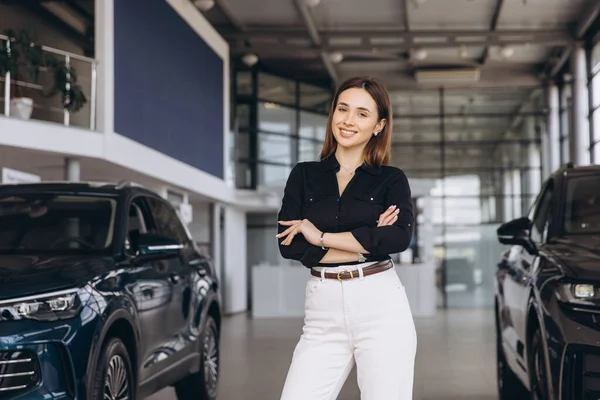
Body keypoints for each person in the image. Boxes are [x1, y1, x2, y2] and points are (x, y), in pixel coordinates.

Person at [276, 75, 417, 400]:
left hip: (381, 308)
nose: (348, 120)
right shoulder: (303, 175)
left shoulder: (391, 180)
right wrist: (367, 241)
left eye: (362, 113)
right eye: (343, 109)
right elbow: (290, 244)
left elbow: (397, 238)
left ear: (379, 125)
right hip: (322, 310)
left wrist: (319, 235)